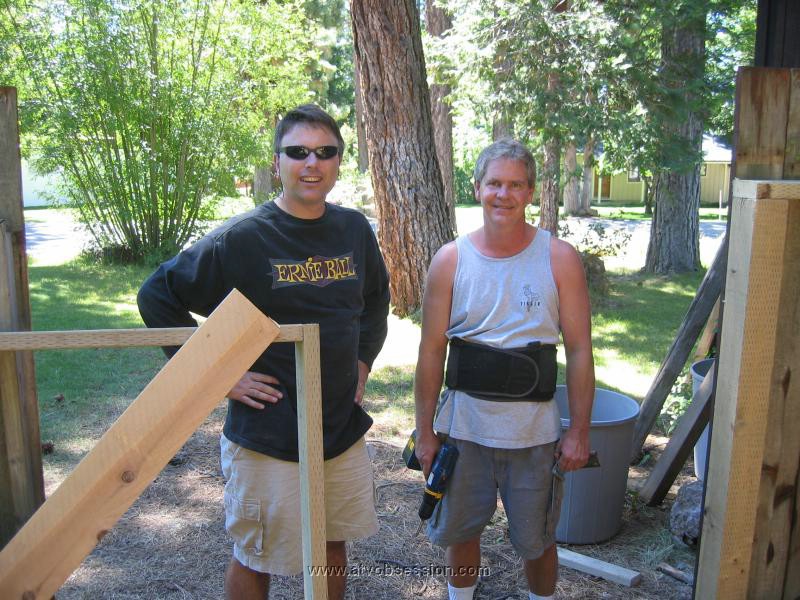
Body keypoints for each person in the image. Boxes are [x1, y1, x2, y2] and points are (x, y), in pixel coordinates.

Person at [137, 104, 390, 600]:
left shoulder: (353, 230)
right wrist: (219, 376)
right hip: (270, 432)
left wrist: (363, 361)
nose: (311, 163)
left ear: (339, 162)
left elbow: (376, 300)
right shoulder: (245, 238)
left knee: (332, 543)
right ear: (277, 163)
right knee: (258, 556)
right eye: (297, 152)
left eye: (325, 152)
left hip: (338, 428)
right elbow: (156, 294)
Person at [413, 139, 594, 600]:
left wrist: (578, 432)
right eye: (494, 183)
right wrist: (426, 432)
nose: (504, 194)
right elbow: (431, 351)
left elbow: (578, 350)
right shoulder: (450, 260)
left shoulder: (560, 259)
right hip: (465, 431)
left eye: (515, 185)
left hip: (533, 434)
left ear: (530, 192)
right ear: (477, 188)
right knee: (460, 533)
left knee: (537, 542)